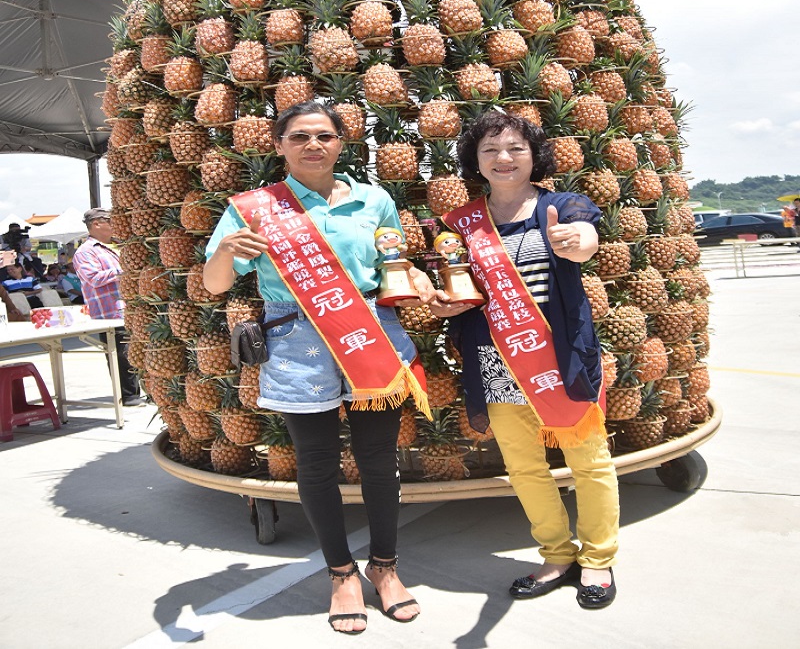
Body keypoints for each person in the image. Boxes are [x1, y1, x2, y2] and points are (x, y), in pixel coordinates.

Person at [204, 101, 433, 635]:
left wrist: (416, 279)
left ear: (340, 144)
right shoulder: (254, 209)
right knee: (316, 462)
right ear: (279, 145)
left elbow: (392, 264)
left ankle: (386, 567)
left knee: (378, 457)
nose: (314, 145)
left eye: (325, 136)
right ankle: (341, 575)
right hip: (296, 344)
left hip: (368, 335)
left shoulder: (374, 200)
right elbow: (215, 283)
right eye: (300, 136)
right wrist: (227, 252)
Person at [430, 109, 619, 610]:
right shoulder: (462, 223)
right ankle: (556, 555)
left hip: (557, 356)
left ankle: (598, 558)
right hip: (494, 361)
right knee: (524, 466)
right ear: (475, 160)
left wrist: (579, 244)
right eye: (490, 150)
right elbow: (464, 289)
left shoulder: (563, 205)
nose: (503, 158)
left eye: (515, 148)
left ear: (533, 155)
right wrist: (449, 301)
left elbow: (585, 239)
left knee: (588, 460)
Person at [72, 209, 143, 406]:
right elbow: (93, 278)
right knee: (122, 353)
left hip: (129, 308)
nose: (114, 224)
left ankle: (139, 390)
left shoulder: (112, 246)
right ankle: (128, 394)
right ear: (96, 224)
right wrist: (125, 268)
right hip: (110, 313)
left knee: (135, 351)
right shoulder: (85, 251)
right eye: (109, 221)